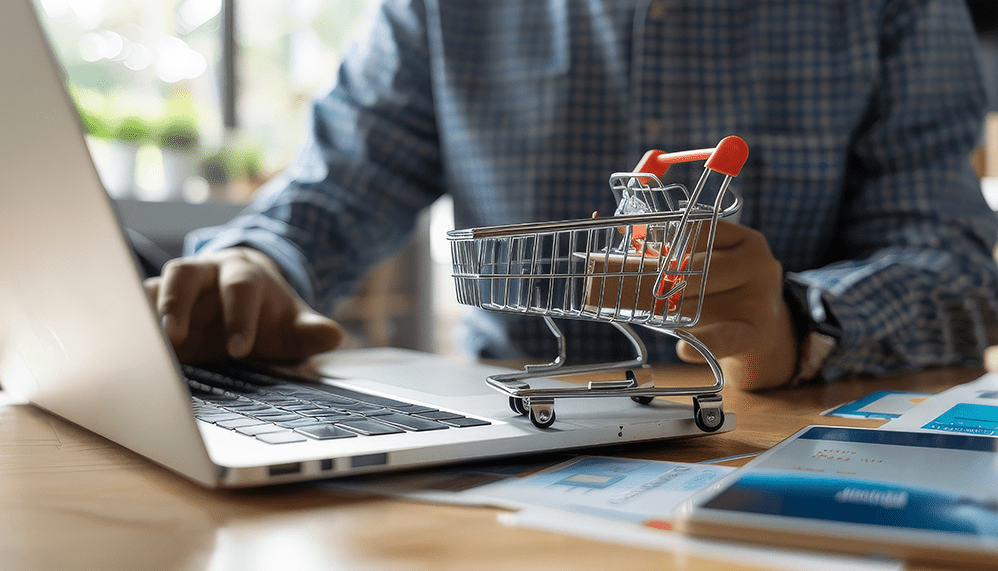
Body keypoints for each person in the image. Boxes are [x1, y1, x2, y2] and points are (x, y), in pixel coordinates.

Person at [146, 0, 998, 391]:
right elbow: (336, 188)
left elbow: (956, 264)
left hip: (773, 443)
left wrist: (792, 322)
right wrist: (252, 261)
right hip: (505, 445)